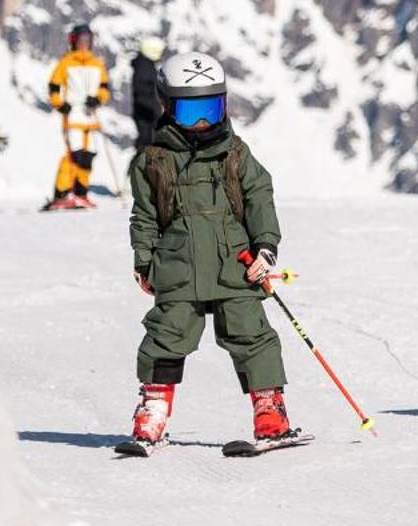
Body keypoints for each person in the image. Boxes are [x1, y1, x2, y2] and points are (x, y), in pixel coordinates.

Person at [125, 51, 294, 450]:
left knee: (251, 332)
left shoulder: (235, 154)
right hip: (177, 267)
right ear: (167, 107)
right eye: (190, 112)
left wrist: (266, 248)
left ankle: (269, 408)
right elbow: (144, 216)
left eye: (210, 109)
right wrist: (144, 260)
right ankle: (154, 408)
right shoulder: (153, 161)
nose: (202, 122)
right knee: (166, 334)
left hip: (235, 263)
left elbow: (259, 199)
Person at [45, 24, 110, 210]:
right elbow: (54, 86)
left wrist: (97, 100)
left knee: (87, 156)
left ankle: (81, 193)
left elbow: (104, 88)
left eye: (87, 41)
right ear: (74, 41)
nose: (84, 44)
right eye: (81, 40)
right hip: (72, 115)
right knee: (73, 155)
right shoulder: (66, 63)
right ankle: (62, 193)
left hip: (90, 117)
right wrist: (60, 104)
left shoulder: (97, 64)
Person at [125, 37, 166, 191]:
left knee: (148, 145)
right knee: (145, 145)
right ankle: (135, 178)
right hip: (146, 114)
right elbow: (142, 93)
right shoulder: (144, 67)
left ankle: (142, 178)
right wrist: (156, 110)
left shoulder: (146, 65)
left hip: (147, 113)